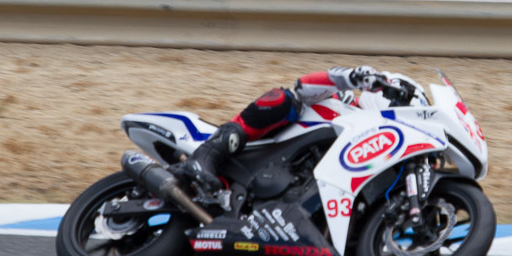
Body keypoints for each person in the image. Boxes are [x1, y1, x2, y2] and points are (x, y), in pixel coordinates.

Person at [173, 65, 425, 193]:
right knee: (285, 99)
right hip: (256, 154)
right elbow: (302, 86)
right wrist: (351, 76)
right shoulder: (344, 102)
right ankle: (208, 154)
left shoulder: (378, 155)